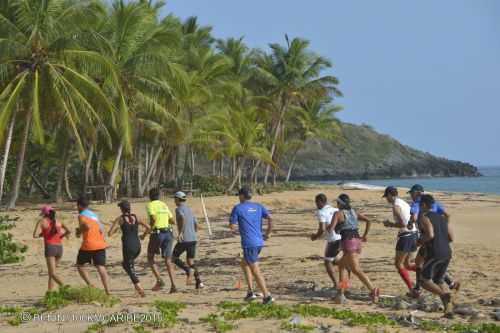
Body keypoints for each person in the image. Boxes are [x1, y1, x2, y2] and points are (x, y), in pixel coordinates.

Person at [327, 194, 380, 304]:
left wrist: (329, 227)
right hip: (357, 242)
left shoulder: (338, 214)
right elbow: (368, 221)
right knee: (342, 266)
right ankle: (341, 292)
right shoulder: (354, 212)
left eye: (337, 203)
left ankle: (373, 289)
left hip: (348, 242)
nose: (337, 205)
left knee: (355, 269)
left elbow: (331, 229)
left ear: (340, 204)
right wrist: (365, 235)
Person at [408, 184, 459, 297]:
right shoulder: (439, 212)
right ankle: (449, 291)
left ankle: (421, 288)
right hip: (446, 249)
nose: (411, 195)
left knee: (424, 274)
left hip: (431, 246)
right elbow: (450, 233)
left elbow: (426, 230)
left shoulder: (420, 208)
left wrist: (412, 227)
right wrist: (441, 233)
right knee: (434, 275)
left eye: (412, 193)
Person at [230, 186, 274, 305]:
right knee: (244, 263)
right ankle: (250, 292)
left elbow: (232, 227)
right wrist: (268, 233)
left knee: (255, 269)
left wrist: (235, 229)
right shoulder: (258, 206)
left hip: (249, 244)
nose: (238, 197)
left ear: (242, 196)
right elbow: (270, 218)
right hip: (259, 242)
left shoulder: (238, 208)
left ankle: (267, 296)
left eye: (239, 195)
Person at [417, 194, 454, 317]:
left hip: (435, 253)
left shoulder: (424, 217)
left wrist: (420, 241)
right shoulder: (442, 217)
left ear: (423, 205)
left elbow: (430, 235)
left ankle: (444, 295)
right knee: (439, 280)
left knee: (424, 280)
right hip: (447, 252)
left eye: (420, 205)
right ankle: (448, 309)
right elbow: (451, 237)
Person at [108, 200, 151, 297]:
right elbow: (149, 228)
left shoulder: (120, 219)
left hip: (128, 246)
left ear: (122, 209)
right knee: (127, 264)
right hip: (137, 246)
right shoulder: (136, 217)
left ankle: (139, 287)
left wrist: (117, 229)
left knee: (128, 265)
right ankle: (137, 287)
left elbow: (109, 234)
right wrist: (143, 236)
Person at [382, 186, 418, 292]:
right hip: (414, 234)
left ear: (389, 195)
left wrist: (390, 224)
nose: (386, 199)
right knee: (408, 264)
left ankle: (412, 289)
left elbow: (403, 223)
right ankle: (425, 273)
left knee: (398, 264)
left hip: (406, 236)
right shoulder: (403, 202)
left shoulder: (396, 206)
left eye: (386, 197)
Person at [75, 197, 111, 295]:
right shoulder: (94, 215)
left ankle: (90, 285)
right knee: (101, 267)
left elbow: (86, 226)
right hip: (100, 243)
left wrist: (79, 231)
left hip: (88, 244)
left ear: (79, 205)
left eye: (77, 206)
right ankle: (107, 290)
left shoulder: (81, 215)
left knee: (80, 265)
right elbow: (101, 229)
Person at [144, 188, 177, 293]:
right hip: (168, 232)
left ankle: (159, 280)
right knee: (168, 260)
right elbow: (172, 220)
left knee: (150, 257)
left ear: (150, 196)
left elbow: (153, 219)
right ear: (159, 196)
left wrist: (148, 230)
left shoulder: (150, 205)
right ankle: (173, 285)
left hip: (157, 233)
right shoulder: (164, 205)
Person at [33, 206, 71, 292]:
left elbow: (34, 235)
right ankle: (50, 292)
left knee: (52, 273)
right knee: (52, 273)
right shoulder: (59, 221)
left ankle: (65, 287)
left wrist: (41, 233)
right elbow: (69, 231)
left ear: (44, 214)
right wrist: (61, 236)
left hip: (50, 247)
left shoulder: (41, 221)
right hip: (59, 248)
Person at [172, 191, 204, 289]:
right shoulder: (189, 209)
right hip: (193, 239)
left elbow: (182, 218)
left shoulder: (178, 209)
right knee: (190, 261)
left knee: (173, 257)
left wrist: (181, 232)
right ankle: (199, 282)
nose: (174, 200)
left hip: (185, 239)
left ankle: (188, 271)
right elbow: (196, 223)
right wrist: (194, 232)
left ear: (178, 199)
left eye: (174, 198)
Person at [310, 193, 341, 288]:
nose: (316, 205)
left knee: (327, 262)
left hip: (333, 240)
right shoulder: (335, 209)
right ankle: (342, 288)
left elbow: (322, 229)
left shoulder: (321, 212)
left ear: (320, 202)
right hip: (341, 237)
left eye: (316, 202)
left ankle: (336, 285)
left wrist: (315, 236)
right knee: (336, 260)